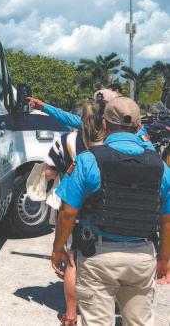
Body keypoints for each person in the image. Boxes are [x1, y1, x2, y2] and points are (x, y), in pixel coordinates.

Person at [52, 97, 170, 326]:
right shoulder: (161, 167)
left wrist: (58, 249)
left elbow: (67, 213)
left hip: (99, 255)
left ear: (105, 124)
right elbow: (167, 220)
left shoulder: (87, 161)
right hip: (143, 255)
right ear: (139, 126)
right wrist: (164, 259)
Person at [44, 101, 105, 326]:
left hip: (74, 207)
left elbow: (49, 172)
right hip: (105, 210)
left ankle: (71, 314)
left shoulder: (65, 141)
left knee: (72, 260)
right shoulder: (112, 144)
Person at [27, 89, 155, 151]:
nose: (99, 107)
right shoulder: (92, 124)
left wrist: (44, 107)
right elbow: (67, 117)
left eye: (104, 104)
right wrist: (44, 107)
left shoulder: (88, 160)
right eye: (98, 103)